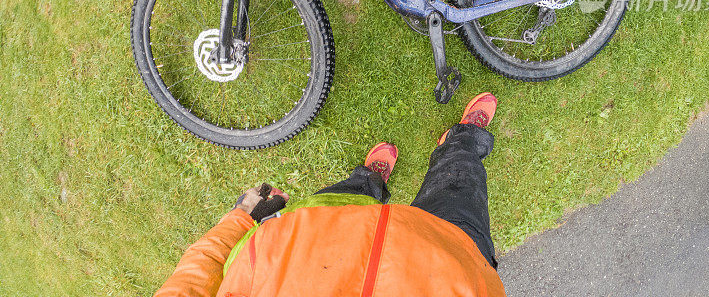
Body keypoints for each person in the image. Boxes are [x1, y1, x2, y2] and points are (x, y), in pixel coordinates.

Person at [154, 92, 506, 297]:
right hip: (448, 272)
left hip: (312, 244)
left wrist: (240, 219)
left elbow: (190, 283)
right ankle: (461, 142)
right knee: (460, 184)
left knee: (343, 199)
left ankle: (369, 181)